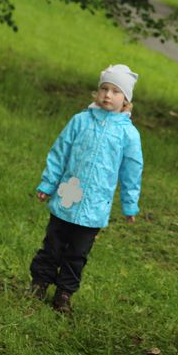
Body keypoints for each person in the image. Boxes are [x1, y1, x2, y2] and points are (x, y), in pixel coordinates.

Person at [29, 65, 142, 313]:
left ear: (126, 100)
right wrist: (48, 184)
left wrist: (129, 204)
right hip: (66, 197)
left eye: (115, 91)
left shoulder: (128, 135)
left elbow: (132, 172)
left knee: (77, 253)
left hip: (95, 207)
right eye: (104, 89)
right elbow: (60, 153)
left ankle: (64, 293)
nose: (108, 95)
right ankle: (39, 282)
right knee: (53, 244)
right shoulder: (80, 121)